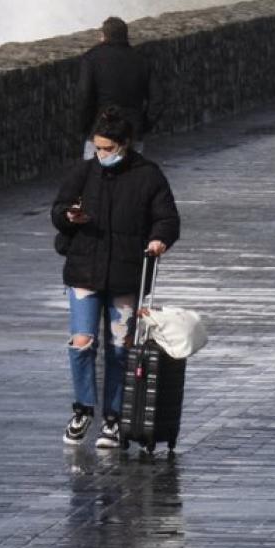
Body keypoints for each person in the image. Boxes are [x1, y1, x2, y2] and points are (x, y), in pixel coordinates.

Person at [49, 106, 181, 448]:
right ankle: (83, 409)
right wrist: (69, 217)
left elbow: (167, 218)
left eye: (107, 148)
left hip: (126, 273)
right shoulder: (84, 172)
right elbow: (58, 211)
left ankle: (113, 417)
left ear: (125, 144)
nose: (101, 154)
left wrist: (158, 239)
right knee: (82, 342)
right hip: (84, 270)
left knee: (120, 347)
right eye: (97, 148)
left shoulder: (149, 176)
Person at [76, 16, 156, 155]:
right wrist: (143, 124)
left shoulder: (92, 59)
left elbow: (84, 95)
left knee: (94, 174)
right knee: (130, 174)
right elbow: (158, 99)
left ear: (104, 36)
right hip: (131, 131)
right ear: (125, 36)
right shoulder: (141, 60)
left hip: (99, 130)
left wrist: (84, 126)